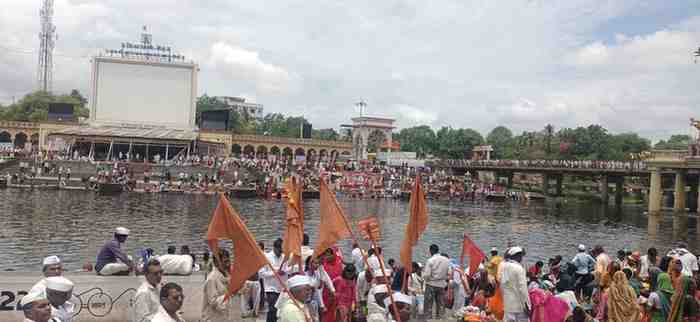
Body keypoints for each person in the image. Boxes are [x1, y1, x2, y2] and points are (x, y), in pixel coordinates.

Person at [499, 246, 531, 322]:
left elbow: (501, 284)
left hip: (507, 304)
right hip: (519, 305)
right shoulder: (519, 268)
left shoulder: (503, 266)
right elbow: (523, 289)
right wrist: (527, 305)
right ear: (517, 256)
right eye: (520, 256)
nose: (521, 258)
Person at [260, 238, 288, 322]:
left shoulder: (285, 257)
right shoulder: (266, 257)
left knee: (281, 310)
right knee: (273, 308)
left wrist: (285, 271)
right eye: (279, 251)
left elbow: (289, 269)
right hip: (271, 288)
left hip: (282, 287)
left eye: (282, 251)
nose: (281, 253)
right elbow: (261, 273)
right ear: (274, 248)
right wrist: (275, 273)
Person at [202, 249, 233, 322]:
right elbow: (213, 302)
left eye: (228, 261)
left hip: (223, 317)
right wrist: (230, 293)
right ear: (216, 263)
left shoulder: (226, 275)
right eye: (225, 262)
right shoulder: (211, 279)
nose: (228, 264)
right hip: (213, 318)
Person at [422, 244, 450, 319]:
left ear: (431, 250)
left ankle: (429, 320)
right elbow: (449, 273)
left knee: (428, 306)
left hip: (431, 284)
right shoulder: (446, 260)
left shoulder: (430, 260)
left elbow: (427, 275)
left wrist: (426, 279)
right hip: (441, 285)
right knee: (440, 305)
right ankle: (440, 319)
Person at [305, 256, 335, 322]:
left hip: (314, 303)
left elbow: (318, 290)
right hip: (306, 304)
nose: (317, 265)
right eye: (315, 263)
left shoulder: (317, 274)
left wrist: (321, 305)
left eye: (318, 263)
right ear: (309, 264)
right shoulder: (304, 276)